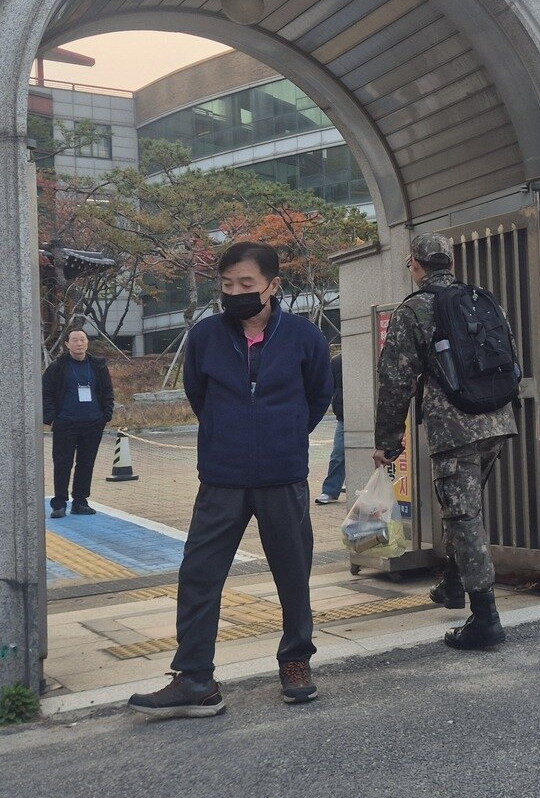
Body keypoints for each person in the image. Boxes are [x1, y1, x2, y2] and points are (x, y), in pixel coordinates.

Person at [128, 241, 333, 718]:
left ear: (273, 286)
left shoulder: (305, 338)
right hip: (222, 476)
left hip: (283, 475)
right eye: (227, 285)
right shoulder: (204, 337)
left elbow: (319, 396)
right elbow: (198, 395)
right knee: (199, 573)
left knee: (292, 571)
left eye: (247, 284)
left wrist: (280, 435)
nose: (236, 293)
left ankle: (296, 661)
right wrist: (228, 435)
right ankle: (195, 679)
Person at [373, 233, 516, 651]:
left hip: (454, 429)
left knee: (463, 516)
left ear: (415, 264)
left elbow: (395, 379)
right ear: (449, 262)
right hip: (496, 420)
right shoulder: (481, 298)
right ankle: (452, 584)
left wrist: (387, 439)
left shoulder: (414, 309)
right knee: (462, 509)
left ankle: (485, 618)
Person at [41, 326, 114, 518]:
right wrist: (51, 418)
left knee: (86, 463)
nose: (79, 343)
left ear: (87, 342)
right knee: (62, 463)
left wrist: (105, 415)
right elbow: (46, 392)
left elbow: (107, 391)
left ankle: (80, 501)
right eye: (74, 340)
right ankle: (59, 503)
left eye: (82, 339)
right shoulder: (58, 367)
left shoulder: (97, 365)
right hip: (65, 423)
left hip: (92, 423)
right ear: (67, 344)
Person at [316, 353, 345, 505]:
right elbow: (329, 387)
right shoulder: (336, 361)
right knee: (338, 454)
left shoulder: (369, 357)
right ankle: (330, 491)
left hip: (367, 415)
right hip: (343, 417)